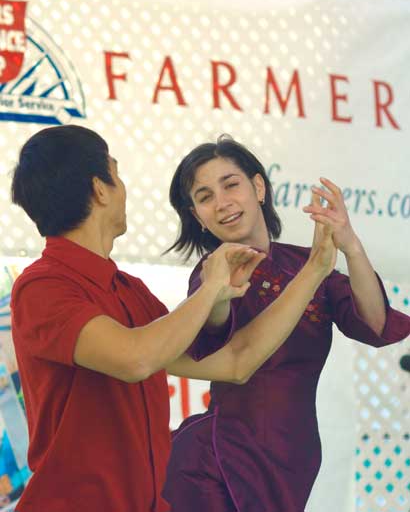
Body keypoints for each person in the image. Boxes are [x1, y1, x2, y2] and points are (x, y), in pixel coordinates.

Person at [10, 125, 338, 512]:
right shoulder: (42, 286)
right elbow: (135, 359)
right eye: (116, 174)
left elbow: (237, 362)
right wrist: (210, 288)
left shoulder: (131, 292)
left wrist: (315, 269)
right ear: (100, 189)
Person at [163, 136, 410, 512]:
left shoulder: (309, 264)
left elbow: (375, 324)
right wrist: (217, 296)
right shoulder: (212, 273)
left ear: (258, 187)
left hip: (293, 455)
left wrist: (350, 246)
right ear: (198, 216)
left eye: (231, 185)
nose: (222, 203)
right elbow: (216, 341)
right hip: (217, 457)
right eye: (205, 196)